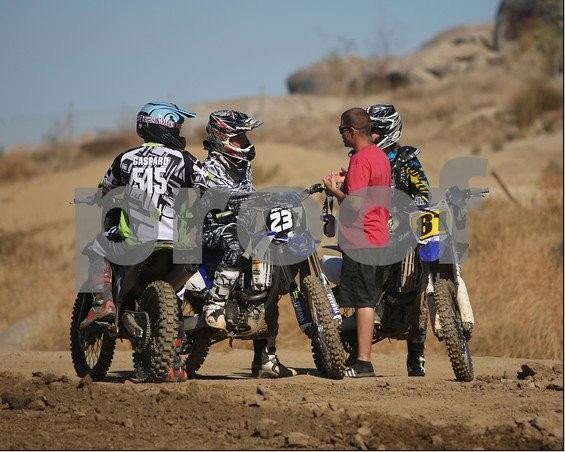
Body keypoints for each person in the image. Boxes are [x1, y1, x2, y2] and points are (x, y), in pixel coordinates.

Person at [80, 101, 207, 381]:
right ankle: (173, 363)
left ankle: (103, 303)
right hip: (177, 243)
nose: (178, 132)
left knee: (97, 246)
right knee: (174, 297)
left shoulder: (125, 159)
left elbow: (105, 187)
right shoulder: (183, 159)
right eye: (176, 126)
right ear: (163, 126)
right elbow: (207, 186)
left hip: (137, 241)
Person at [200, 109, 297, 378]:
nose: (244, 142)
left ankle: (266, 360)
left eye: (244, 137)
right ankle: (215, 304)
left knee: (266, 289)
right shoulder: (208, 168)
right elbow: (223, 200)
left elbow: (249, 198)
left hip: (240, 230)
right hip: (211, 231)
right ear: (222, 137)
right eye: (239, 137)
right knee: (237, 239)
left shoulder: (243, 165)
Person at [322, 107, 391, 378]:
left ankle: (363, 362)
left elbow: (354, 204)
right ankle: (358, 356)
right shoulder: (378, 155)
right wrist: (348, 178)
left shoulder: (361, 159)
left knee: (364, 301)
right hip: (378, 235)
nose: (340, 135)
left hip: (362, 238)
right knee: (366, 298)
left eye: (341, 130)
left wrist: (334, 190)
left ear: (352, 131)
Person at [366, 103, 431, 377]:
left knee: (420, 285)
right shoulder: (363, 157)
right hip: (377, 227)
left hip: (408, 225)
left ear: (389, 130)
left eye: (376, 130)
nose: (371, 135)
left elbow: (424, 190)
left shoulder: (406, 158)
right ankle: (373, 311)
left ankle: (416, 355)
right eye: (369, 130)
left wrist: (414, 207)